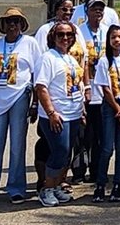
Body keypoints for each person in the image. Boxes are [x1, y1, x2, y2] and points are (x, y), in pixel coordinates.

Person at [0, 6, 42, 205]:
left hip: (20, 96)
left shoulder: (30, 43)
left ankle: (16, 188)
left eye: (16, 21)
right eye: (9, 22)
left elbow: (37, 74)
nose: (12, 25)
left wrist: (35, 103)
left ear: (22, 24)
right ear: (3, 25)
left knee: (17, 145)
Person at [34, 22, 86, 206]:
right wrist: (51, 112)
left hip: (73, 114)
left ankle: (56, 186)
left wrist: (81, 109)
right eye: (60, 34)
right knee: (59, 151)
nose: (65, 38)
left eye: (69, 34)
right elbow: (41, 87)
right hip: (57, 114)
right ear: (53, 37)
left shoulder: (70, 58)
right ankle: (46, 188)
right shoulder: (47, 58)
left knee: (66, 154)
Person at [93, 23, 120, 202]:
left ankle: (118, 184)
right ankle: (101, 184)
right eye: (113, 37)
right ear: (108, 41)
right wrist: (118, 110)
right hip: (111, 108)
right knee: (107, 147)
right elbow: (105, 89)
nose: (117, 40)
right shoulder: (104, 61)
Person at [76, 0, 111, 183]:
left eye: (100, 9)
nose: (98, 12)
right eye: (94, 9)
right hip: (86, 90)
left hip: (103, 91)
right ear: (86, 12)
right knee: (84, 135)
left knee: (100, 135)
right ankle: (79, 170)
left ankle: (97, 171)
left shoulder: (108, 31)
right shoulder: (79, 32)